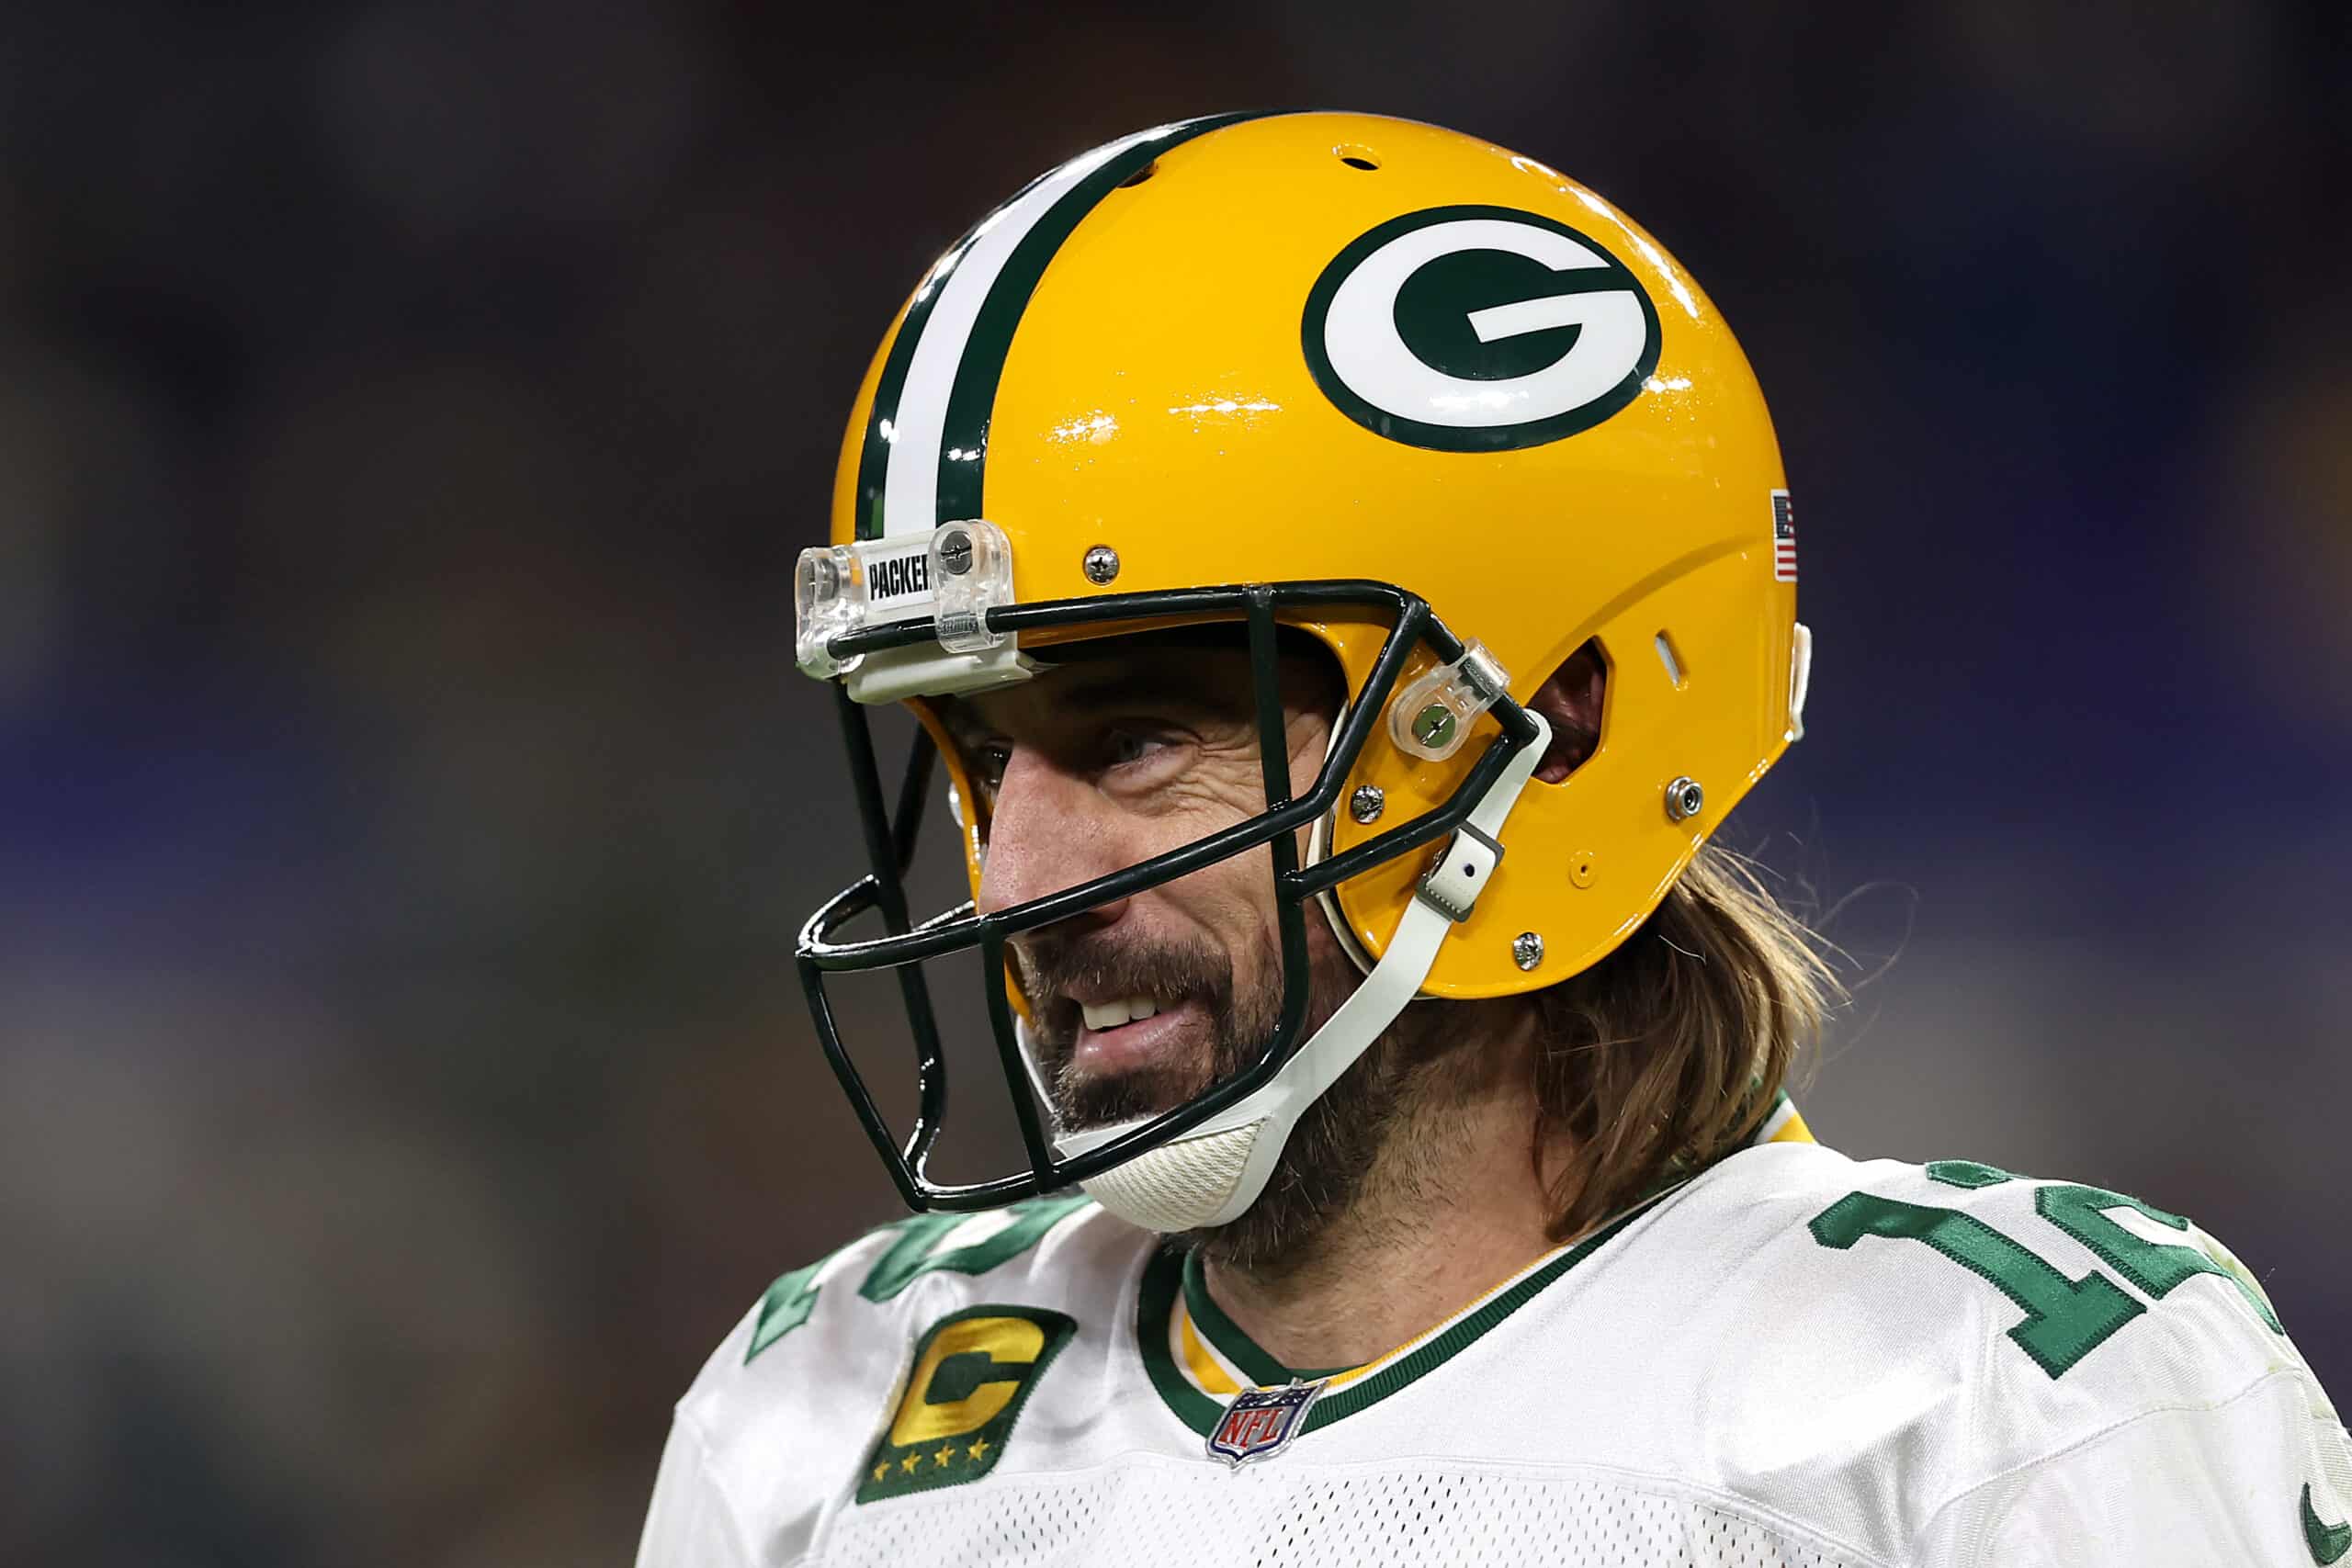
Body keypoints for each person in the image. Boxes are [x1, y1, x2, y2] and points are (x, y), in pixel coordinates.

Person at [637, 111, 2350, 1567]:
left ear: (1564, 722)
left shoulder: (1999, 1397)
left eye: (1141, 737)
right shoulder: (823, 1412)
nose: (1017, 882)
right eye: (985, 761)